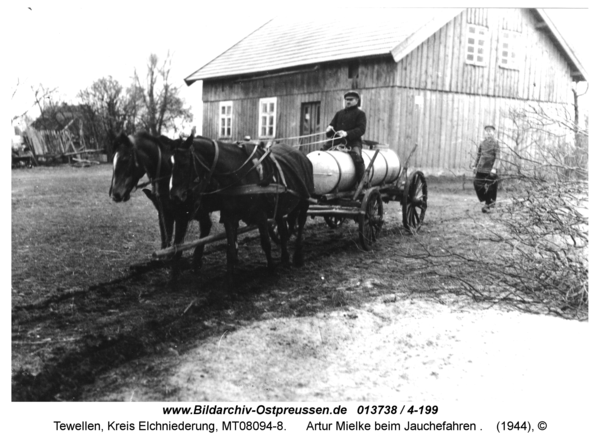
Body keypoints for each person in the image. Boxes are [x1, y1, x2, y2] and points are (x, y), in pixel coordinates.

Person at [324, 90, 367, 187]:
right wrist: (329, 129)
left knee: (358, 158)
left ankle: (362, 183)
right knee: (321, 152)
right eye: (346, 99)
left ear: (356, 100)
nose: (348, 101)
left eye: (350, 100)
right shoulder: (339, 113)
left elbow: (361, 130)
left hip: (353, 142)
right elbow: (332, 126)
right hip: (337, 141)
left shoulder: (360, 114)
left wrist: (347, 133)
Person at [472, 124, 501, 213]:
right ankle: (485, 199)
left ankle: (488, 205)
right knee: (477, 183)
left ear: (493, 132)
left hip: (491, 169)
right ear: (485, 132)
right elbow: (478, 154)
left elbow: (498, 156)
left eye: (490, 131)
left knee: (491, 187)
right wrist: (474, 165)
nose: (488, 132)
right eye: (487, 131)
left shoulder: (496, 142)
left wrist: (495, 168)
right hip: (481, 168)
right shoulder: (482, 142)